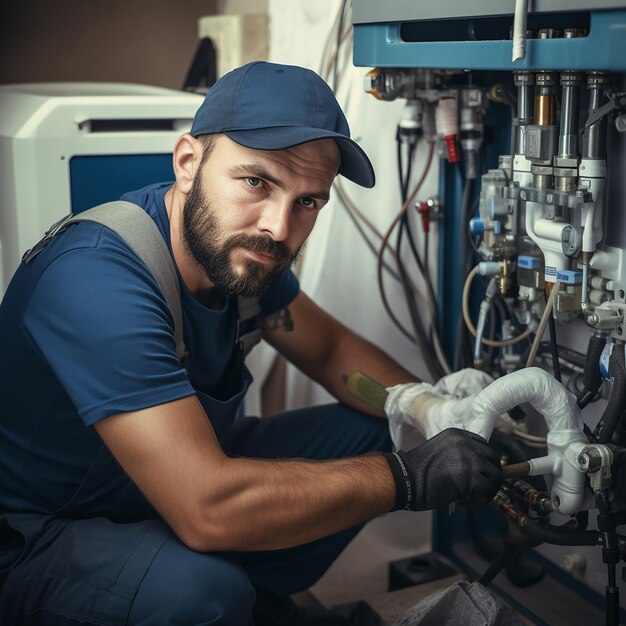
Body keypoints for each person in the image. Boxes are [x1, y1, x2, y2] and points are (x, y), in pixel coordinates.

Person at [0, 61, 502, 626]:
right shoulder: (96, 278)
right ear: (189, 163)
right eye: (257, 182)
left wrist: (423, 406)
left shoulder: (239, 258)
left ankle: (246, 596)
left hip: (159, 487)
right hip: (40, 533)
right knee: (202, 594)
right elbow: (207, 507)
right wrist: (409, 478)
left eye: (308, 201)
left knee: (373, 428)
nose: (279, 226)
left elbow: (331, 349)